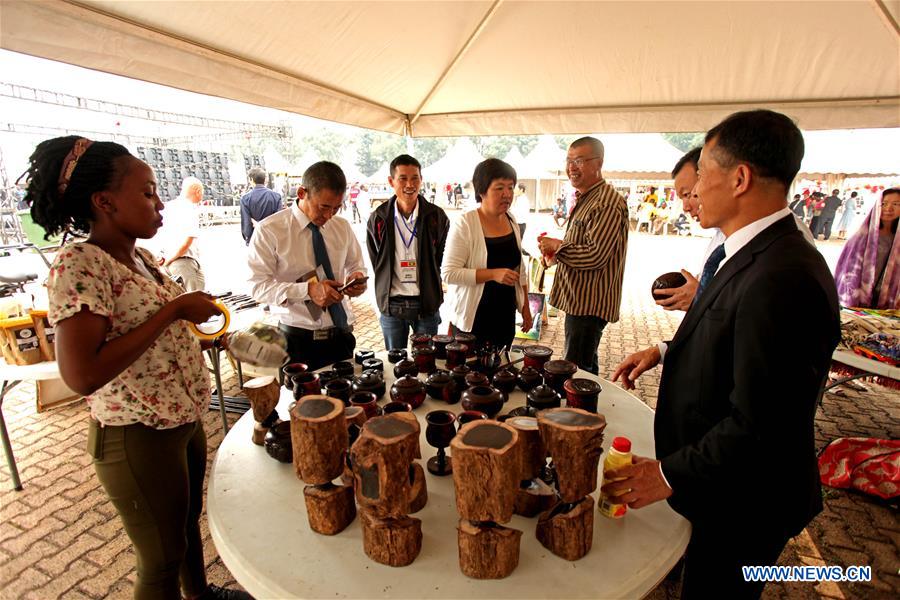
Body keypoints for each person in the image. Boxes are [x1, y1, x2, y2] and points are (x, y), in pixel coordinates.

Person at [610, 110, 840, 599]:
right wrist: (666, 351)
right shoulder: (755, 253)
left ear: (739, 178)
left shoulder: (784, 275)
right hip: (723, 485)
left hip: (747, 500)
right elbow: (734, 344)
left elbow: (761, 422)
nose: (696, 188)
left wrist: (668, 474)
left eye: (704, 172)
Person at [26, 136, 247, 600]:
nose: (160, 203)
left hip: (180, 419)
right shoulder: (81, 264)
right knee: (160, 560)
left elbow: (156, 334)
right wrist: (172, 312)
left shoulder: (141, 259)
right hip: (136, 434)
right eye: (147, 193)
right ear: (104, 201)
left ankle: (201, 596)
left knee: (185, 529)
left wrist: (215, 333)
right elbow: (81, 373)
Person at [656, 148, 817, 311]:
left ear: (739, 179)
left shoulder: (785, 248)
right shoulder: (726, 235)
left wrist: (703, 299)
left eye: (690, 193)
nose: (686, 206)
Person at [248, 161, 367, 371]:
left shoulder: (342, 226)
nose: (329, 216)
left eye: (337, 208)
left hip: (340, 337)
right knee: (305, 402)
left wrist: (357, 278)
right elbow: (257, 287)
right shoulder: (270, 230)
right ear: (302, 192)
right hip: (297, 341)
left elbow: (356, 265)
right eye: (324, 207)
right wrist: (307, 290)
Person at [538, 137, 628, 375]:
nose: (571, 167)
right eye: (569, 160)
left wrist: (559, 247)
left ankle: (579, 410)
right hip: (580, 300)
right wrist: (556, 254)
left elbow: (596, 255)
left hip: (589, 304)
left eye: (579, 160)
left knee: (575, 370)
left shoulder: (606, 202)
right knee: (586, 367)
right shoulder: (587, 197)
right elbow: (583, 246)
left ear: (598, 163)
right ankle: (589, 408)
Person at [442, 158, 532, 350]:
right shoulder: (465, 223)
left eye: (510, 187)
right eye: (499, 188)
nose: (507, 194)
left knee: (499, 372)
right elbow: (449, 273)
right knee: (470, 376)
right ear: (482, 191)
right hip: (473, 321)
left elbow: (520, 268)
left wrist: (525, 308)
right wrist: (492, 274)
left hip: (504, 318)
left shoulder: (511, 220)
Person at [366, 155, 450, 350]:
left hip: (426, 304)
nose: (409, 184)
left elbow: (439, 258)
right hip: (392, 305)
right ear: (391, 181)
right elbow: (376, 260)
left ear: (421, 180)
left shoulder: (435, 217)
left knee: (426, 363)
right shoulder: (378, 218)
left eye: (415, 178)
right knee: (395, 364)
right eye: (403, 178)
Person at [834, 187, 899, 308]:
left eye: (896, 204)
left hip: (887, 300)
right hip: (858, 297)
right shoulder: (861, 236)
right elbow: (847, 271)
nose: (888, 208)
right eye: (883, 203)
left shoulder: (897, 239)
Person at [161, 176, 205, 291]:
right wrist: (172, 258)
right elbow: (188, 240)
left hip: (168, 261)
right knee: (196, 302)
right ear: (197, 190)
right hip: (183, 261)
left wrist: (166, 259)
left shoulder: (168, 207)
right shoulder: (189, 208)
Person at [239, 167, 283, 245]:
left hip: (255, 239)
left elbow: (246, 224)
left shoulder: (245, 199)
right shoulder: (276, 197)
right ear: (265, 180)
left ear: (251, 180)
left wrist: (248, 239)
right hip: (272, 239)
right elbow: (279, 220)